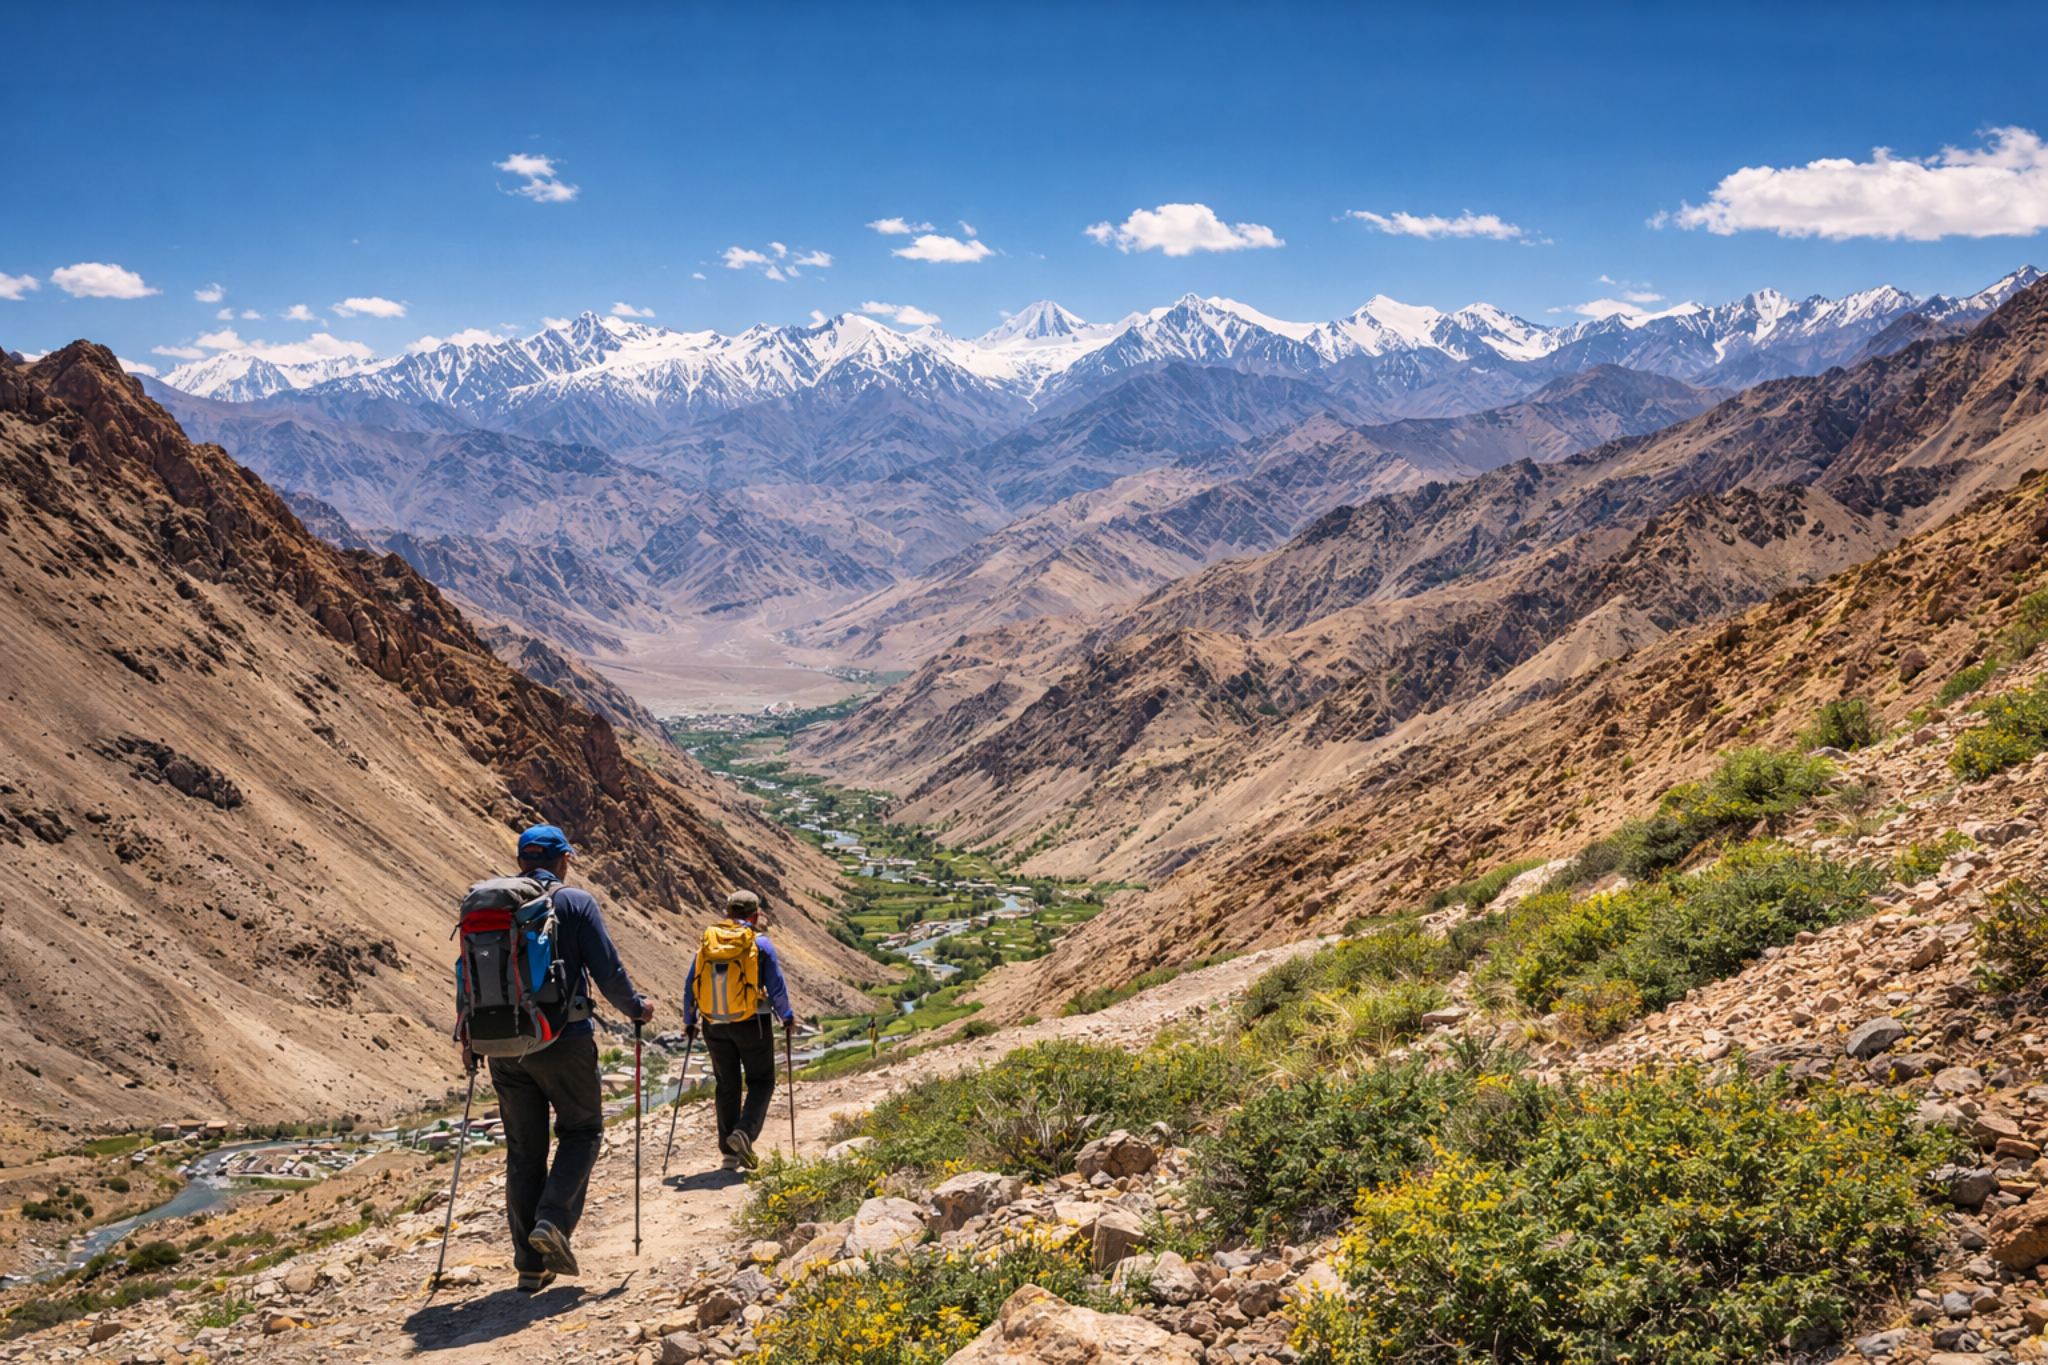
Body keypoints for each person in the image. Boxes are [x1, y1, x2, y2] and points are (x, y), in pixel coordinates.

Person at [479, 824, 655, 1292]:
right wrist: (637, 1009)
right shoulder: (575, 902)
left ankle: (529, 1265)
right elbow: (608, 972)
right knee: (582, 1130)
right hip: (564, 1040)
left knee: (524, 1151)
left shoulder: (491, 903)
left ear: (521, 861)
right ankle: (552, 1221)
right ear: (564, 860)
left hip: (502, 1045)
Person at [684, 890, 797, 1170]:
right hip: (751, 1022)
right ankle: (744, 1132)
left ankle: (729, 1153)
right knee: (762, 1081)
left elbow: (691, 984)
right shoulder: (759, 943)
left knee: (727, 1085)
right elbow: (776, 986)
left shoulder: (708, 941)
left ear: (727, 912)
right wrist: (786, 1017)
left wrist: (689, 1021)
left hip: (713, 1024)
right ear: (755, 916)